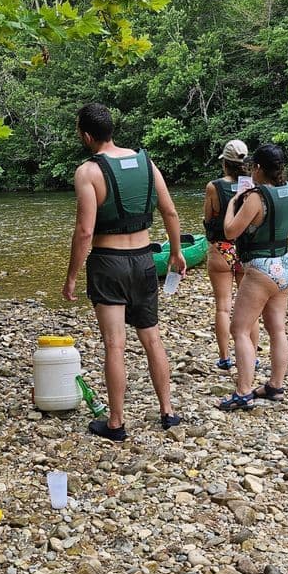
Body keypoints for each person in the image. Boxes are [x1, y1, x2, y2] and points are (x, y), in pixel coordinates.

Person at [62, 102, 186, 441]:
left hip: (108, 262)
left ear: (86, 135)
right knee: (152, 338)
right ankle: (168, 411)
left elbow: (85, 231)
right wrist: (175, 252)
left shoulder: (88, 172)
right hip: (145, 260)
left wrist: (72, 275)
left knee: (115, 345)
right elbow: (170, 212)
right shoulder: (146, 162)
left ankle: (116, 422)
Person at [218, 142, 288, 411]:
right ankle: (275, 385)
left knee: (239, 329)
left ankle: (243, 392)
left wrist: (231, 203)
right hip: (286, 265)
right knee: (277, 329)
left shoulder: (255, 197)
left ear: (259, 168)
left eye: (254, 166)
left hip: (262, 269)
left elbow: (230, 231)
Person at [203, 138, 258, 370]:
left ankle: (225, 357)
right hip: (245, 249)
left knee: (223, 306)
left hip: (220, 248)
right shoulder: (253, 185)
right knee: (250, 307)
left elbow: (208, 218)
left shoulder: (213, 187)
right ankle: (251, 356)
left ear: (225, 162)